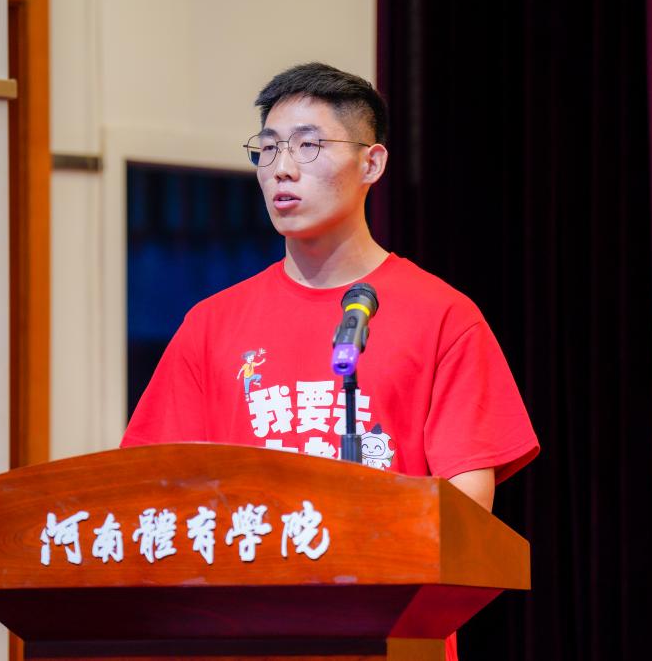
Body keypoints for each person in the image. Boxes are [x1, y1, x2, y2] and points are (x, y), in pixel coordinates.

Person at [121, 63, 539, 657]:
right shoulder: (210, 325)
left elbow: (466, 519)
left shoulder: (445, 317)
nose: (282, 168)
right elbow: (155, 494)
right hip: (243, 638)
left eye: (308, 146)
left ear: (372, 163)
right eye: (267, 149)